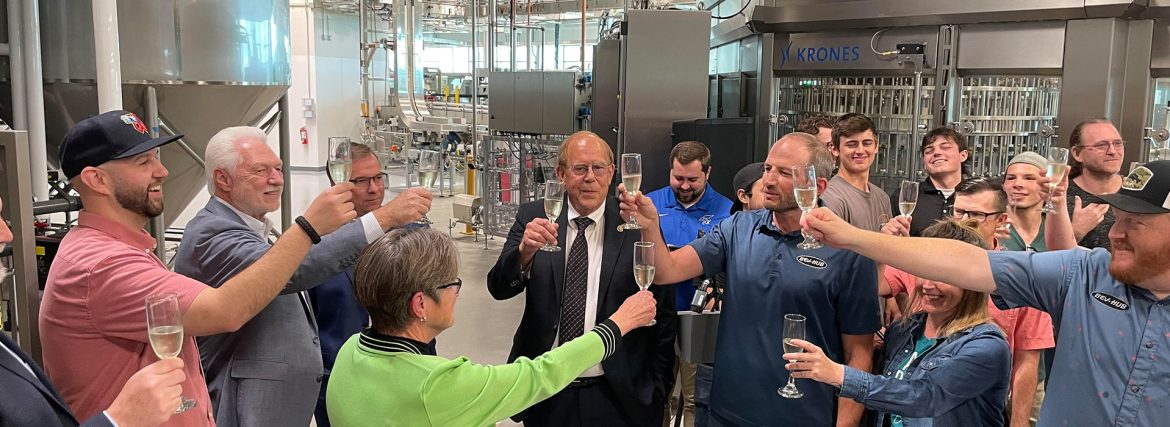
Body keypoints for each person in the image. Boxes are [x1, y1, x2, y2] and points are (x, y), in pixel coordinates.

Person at [40, 110, 356, 426]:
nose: (162, 171)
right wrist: (307, 229)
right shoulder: (103, 265)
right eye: (143, 162)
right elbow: (224, 310)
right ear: (97, 179)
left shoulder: (121, 249)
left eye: (156, 158)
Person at [801, 159, 1170, 426]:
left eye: (1135, 223)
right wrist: (851, 236)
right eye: (1118, 219)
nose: (1116, 233)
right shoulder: (1086, 273)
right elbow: (968, 262)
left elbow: (930, 395)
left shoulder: (984, 344)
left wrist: (838, 375)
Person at [173, 127, 431, 426]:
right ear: (223, 179)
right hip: (244, 406)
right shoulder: (212, 233)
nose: (276, 179)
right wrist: (380, 218)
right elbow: (290, 271)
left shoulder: (251, 229)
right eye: (261, 170)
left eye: (278, 168)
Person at [620, 132, 880, 426]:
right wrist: (649, 225)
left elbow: (859, 355)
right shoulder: (737, 228)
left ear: (817, 185)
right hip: (727, 413)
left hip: (803, 415)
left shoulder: (848, 249)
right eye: (768, 168)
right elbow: (666, 271)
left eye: (784, 173)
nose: (769, 180)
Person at [327, 228, 659, 426]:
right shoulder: (438, 385)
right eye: (451, 285)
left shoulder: (349, 351)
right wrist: (618, 324)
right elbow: (539, 375)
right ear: (420, 305)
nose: (457, 294)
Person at [486, 131, 677, 426]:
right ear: (561, 174)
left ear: (612, 173)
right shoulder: (535, 217)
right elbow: (499, 287)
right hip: (546, 390)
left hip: (618, 395)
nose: (590, 177)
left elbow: (662, 310)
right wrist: (524, 253)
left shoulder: (636, 223)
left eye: (598, 168)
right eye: (580, 168)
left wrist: (657, 389)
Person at [789, 219, 1011, 426]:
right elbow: (883, 400)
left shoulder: (986, 347)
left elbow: (924, 398)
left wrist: (839, 374)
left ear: (973, 281)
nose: (928, 285)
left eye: (943, 275)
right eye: (924, 270)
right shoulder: (903, 330)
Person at [0, 194, 186, 427]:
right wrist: (120, 420)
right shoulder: (95, 264)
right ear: (96, 179)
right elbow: (218, 309)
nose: (7, 235)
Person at [883, 177, 1054, 427]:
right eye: (959, 211)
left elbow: (1027, 361)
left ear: (1001, 220)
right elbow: (876, 287)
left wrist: (1018, 423)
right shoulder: (924, 259)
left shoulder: (1021, 278)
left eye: (975, 214)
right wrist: (887, 246)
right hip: (905, 405)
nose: (964, 221)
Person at [644, 141, 731, 427]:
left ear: (708, 173)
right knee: (656, 393)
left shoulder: (727, 211)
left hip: (699, 317)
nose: (684, 186)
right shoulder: (650, 204)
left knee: (696, 398)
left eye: (692, 179)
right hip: (655, 314)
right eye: (677, 177)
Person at [308, 141, 385, 427]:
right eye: (361, 181)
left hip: (395, 375)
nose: (374, 189)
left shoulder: (401, 235)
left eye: (378, 178)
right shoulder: (314, 242)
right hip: (337, 379)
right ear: (337, 183)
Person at [885, 127, 971, 236]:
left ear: (963, 155)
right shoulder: (904, 196)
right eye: (929, 151)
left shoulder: (976, 196)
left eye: (945, 147)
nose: (937, 153)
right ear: (925, 163)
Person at [821, 113, 892, 231]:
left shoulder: (882, 197)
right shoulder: (830, 197)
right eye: (851, 145)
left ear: (876, 146)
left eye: (867, 143)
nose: (860, 150)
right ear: (834, 149)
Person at [1064, 118, 1123, 250]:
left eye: (1117, 143)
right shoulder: (1059, 196)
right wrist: (1076, 232)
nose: (1112, 151)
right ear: (1077, 153)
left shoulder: (1138, 193)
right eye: (1101, 145)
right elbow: (1044, 255)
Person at [1002, 152, 1048, 252]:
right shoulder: (992, 227)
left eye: (1029, 178)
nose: (1017, 184)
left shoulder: (1054, 229)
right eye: (1011, 178)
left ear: (1047, 186)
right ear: (1003, 185)